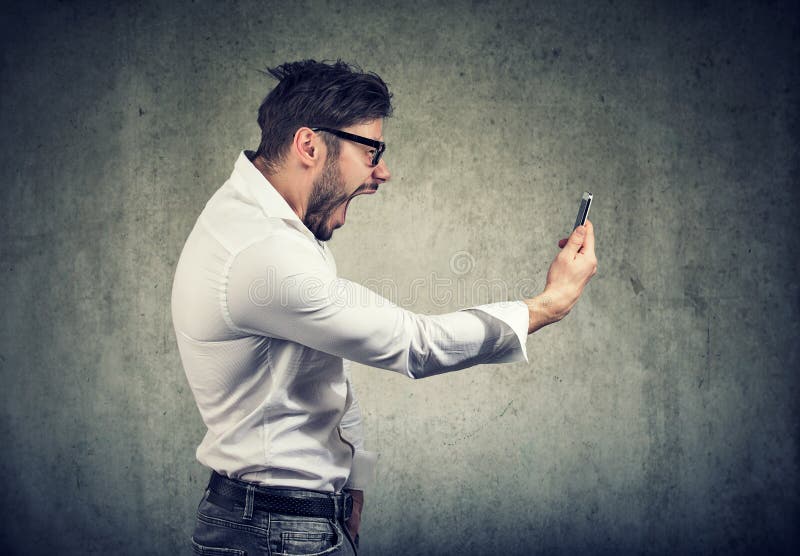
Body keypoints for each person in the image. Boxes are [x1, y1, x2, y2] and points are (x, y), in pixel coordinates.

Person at [171, 59, 597, 555]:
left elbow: (321, 373)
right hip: (274, 534)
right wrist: (548, 305)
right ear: (309, 145)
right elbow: (414, 343)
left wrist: (354, 479)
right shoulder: (261, 254)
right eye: (371, 150)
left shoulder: (265, 223)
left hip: (281, 521)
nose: (384, 172)